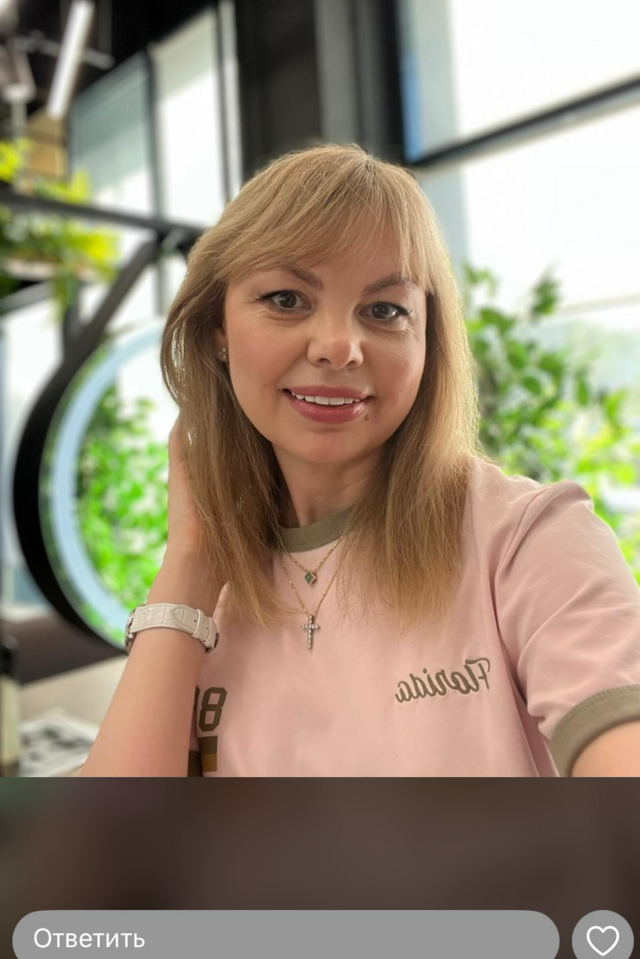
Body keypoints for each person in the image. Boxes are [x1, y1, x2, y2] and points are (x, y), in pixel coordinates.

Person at [80, 142, 640, 777]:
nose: (338, 347)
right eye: (286, 299)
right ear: (217, 330)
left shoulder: (529, 541)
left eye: (384, 310)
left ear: (427, 340)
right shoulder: (206, 585)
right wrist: (189, 561)